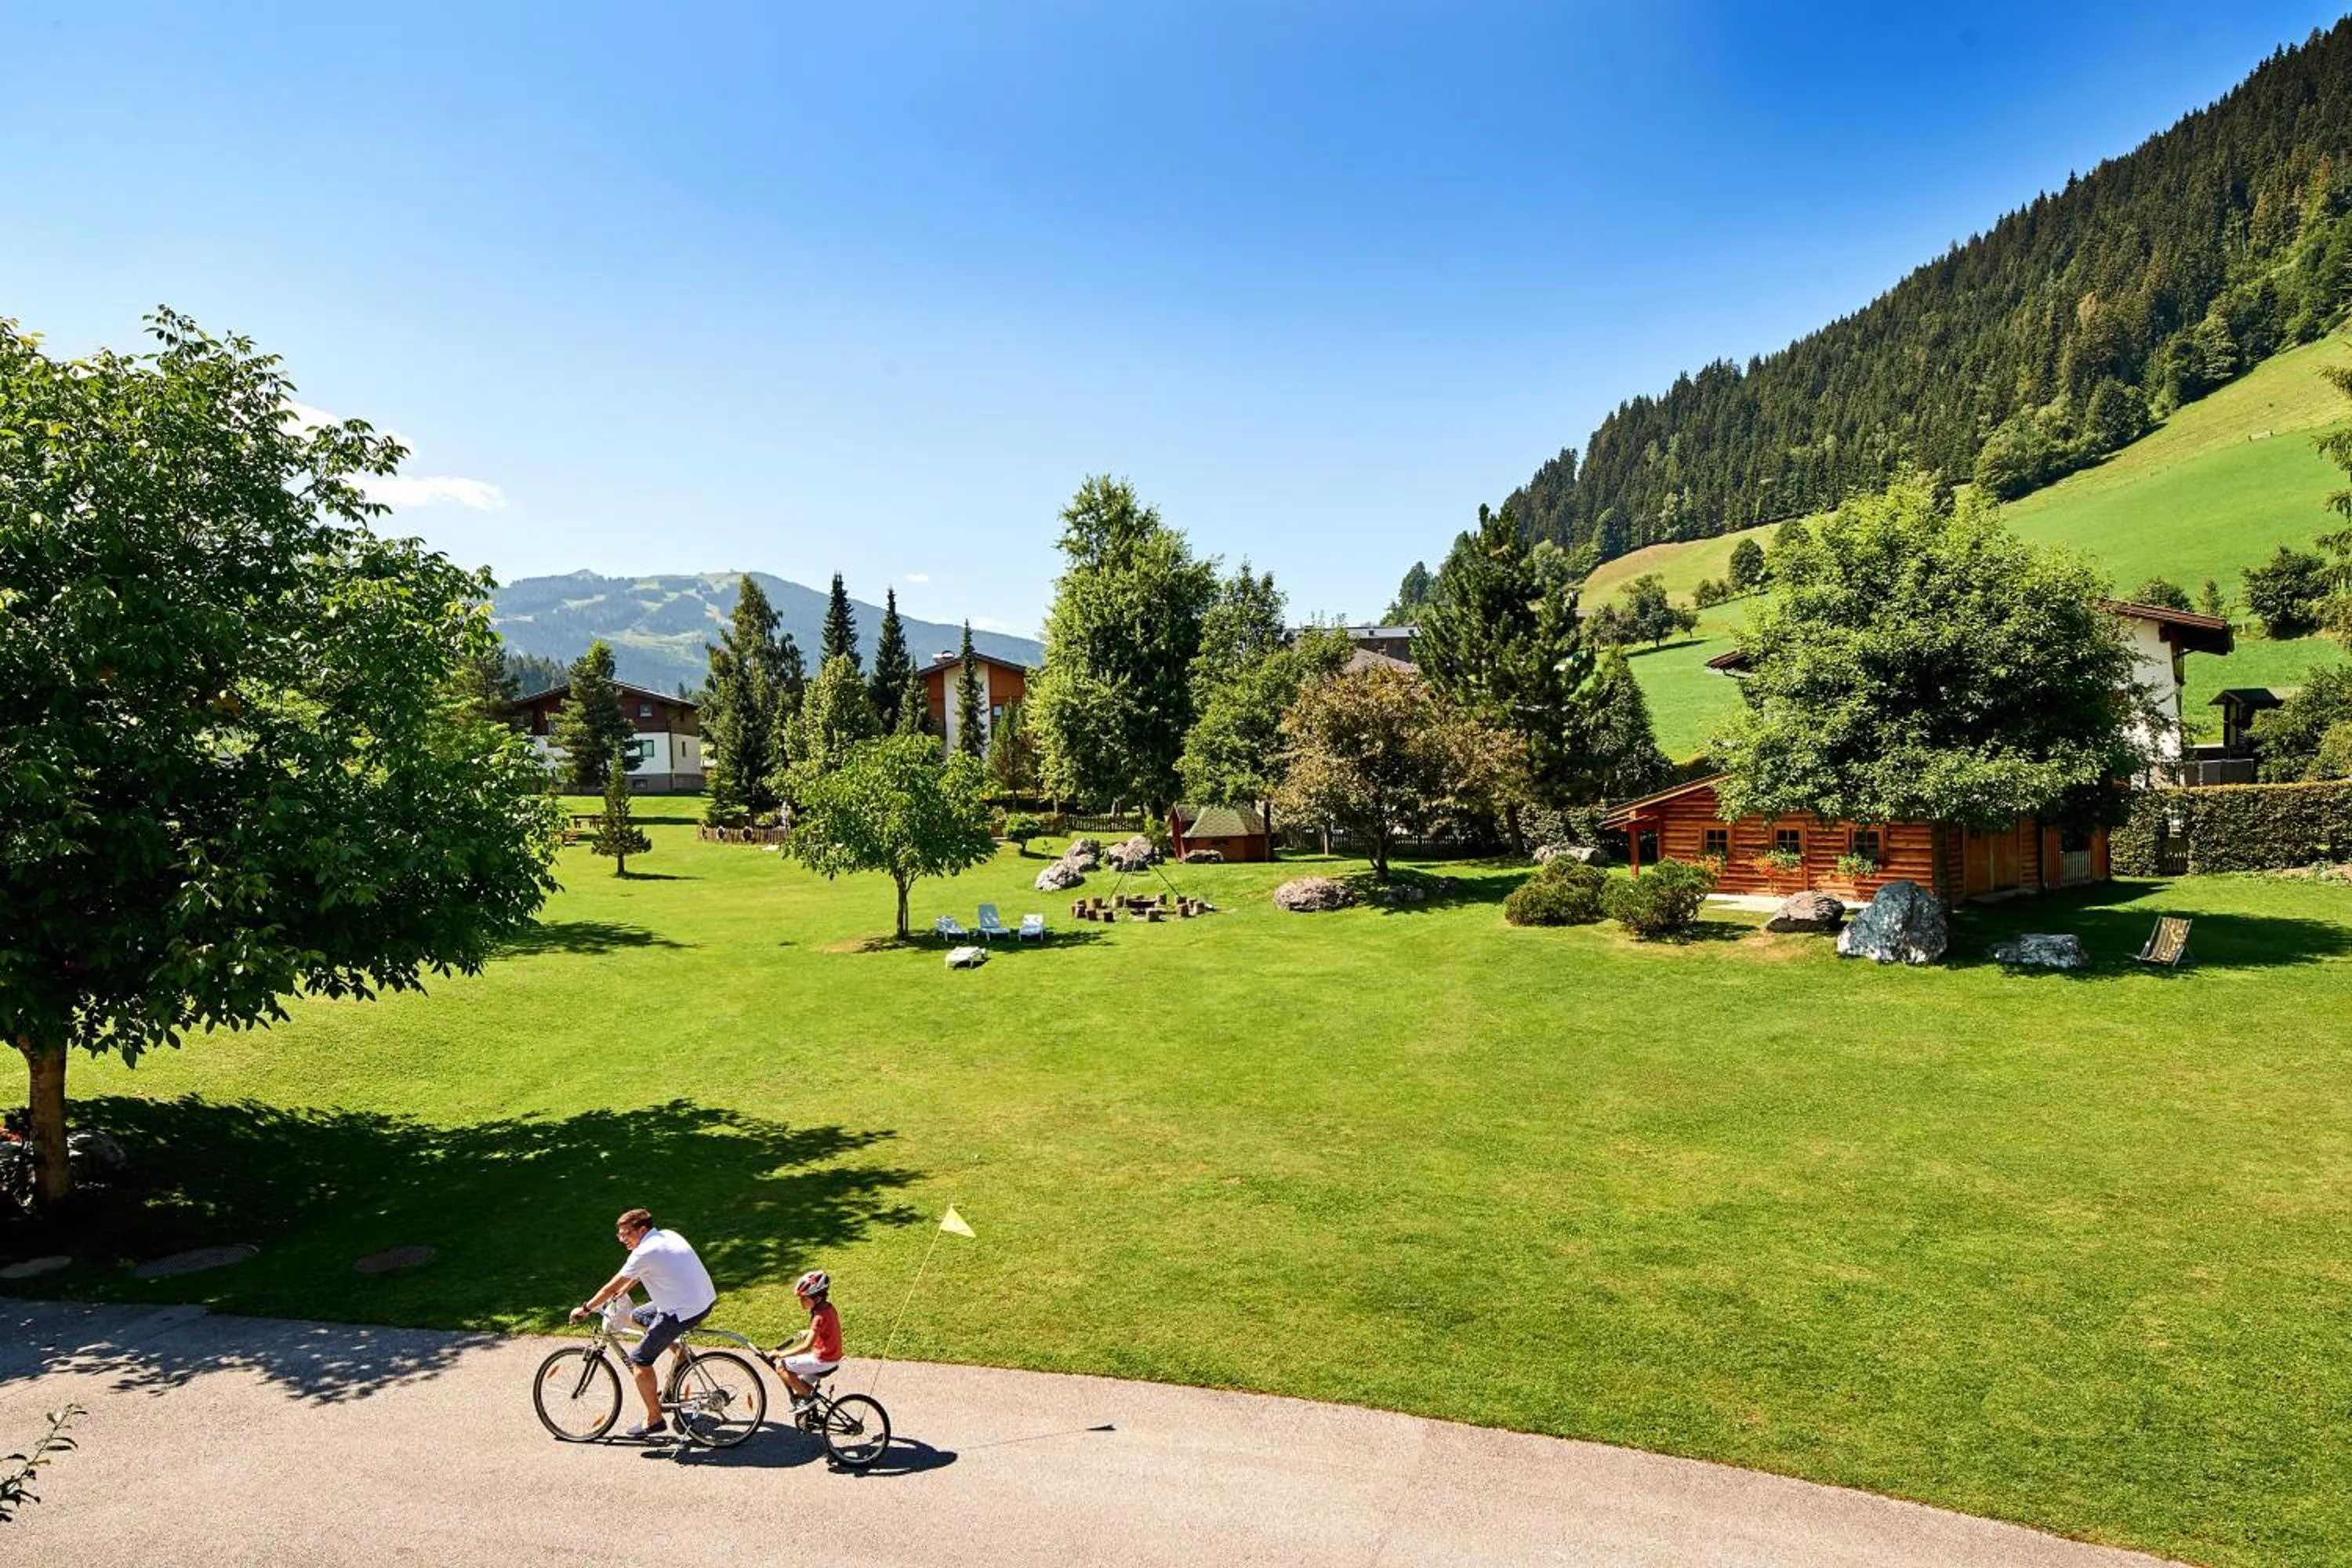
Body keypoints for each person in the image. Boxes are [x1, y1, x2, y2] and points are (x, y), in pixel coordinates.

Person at [570, 1207, 719, 1439]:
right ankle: (679, 1356)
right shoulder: (666, 1235)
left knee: (639, 1360)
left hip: (684, 1310)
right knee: (639, 1315)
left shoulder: (645, 1252)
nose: (622, 1240)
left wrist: (586, 1309)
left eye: (626, 1234)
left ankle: (654, 1419)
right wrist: (620, 1293)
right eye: (620, 1235)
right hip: (700, 1298)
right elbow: (635, 1276)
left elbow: (611, 1285)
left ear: (642, 1229)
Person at [771, 1269, 844, 1414]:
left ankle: (809, 1399)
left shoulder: (818, 1318)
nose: (801, 1302)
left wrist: (781, 1354)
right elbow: (825, 1329)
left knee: (781, 1367)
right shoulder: (828, 1308)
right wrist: (810, 1332)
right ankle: (811, 1408)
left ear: (817, 1299)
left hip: (823, 1360)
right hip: (833, 1357)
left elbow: (805, 1347)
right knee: (801, 1383)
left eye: (804, 1298)